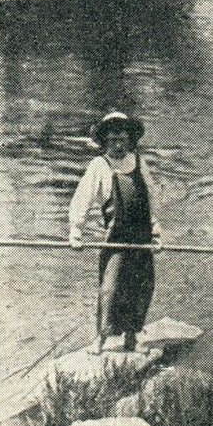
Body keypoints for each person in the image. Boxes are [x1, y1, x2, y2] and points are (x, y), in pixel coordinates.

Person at [68, 111, 163, 353]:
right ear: (104, 141)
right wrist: (76, 230)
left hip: (141, 238)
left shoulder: (138, 162)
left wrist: (156, 231)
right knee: (110, 288)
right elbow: (83, 198)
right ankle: (101, 339)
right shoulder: (99, 166)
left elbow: (151, 196)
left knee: (141, 287)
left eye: (122, 140)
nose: (118, 145)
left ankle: (132, 338)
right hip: (117, 238)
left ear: (130, 140)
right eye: (112, 141)